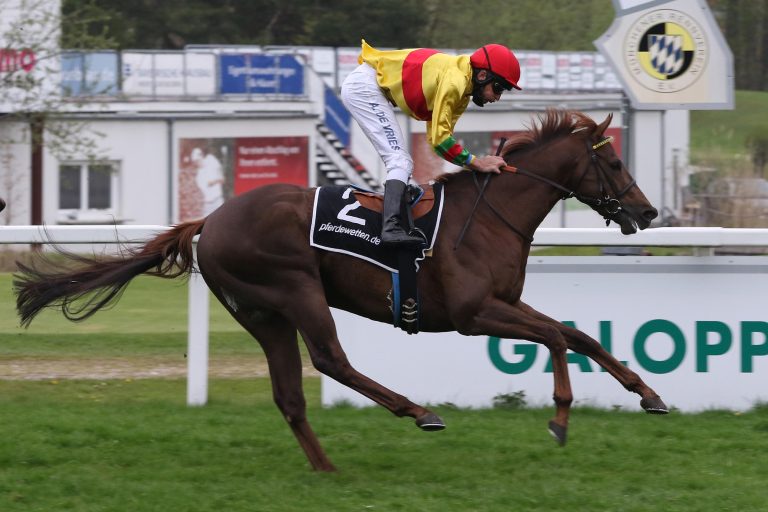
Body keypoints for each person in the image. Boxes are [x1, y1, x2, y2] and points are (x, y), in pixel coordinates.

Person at [341, 39, 522, 246]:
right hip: (364, 88)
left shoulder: (463, 90)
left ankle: (397, 215)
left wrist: (473, 162)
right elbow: (440, 140)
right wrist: (477, 162)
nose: (497, 98)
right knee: (399, 161)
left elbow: (440, 141)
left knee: (402, 162)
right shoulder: (455, 82)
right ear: (482, 75)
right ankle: (390, 228)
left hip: (368, 85)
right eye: (498, 88)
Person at [191, 146, 225, 217]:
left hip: (218, 200)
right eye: (195, 161)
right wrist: (217, 180)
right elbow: (210, 184)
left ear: (202, 156)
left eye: (198, 160)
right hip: (208, 204)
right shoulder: (198, 176)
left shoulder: (211, 159)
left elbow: (221, 178)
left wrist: (219, 177)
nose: (197, 162)